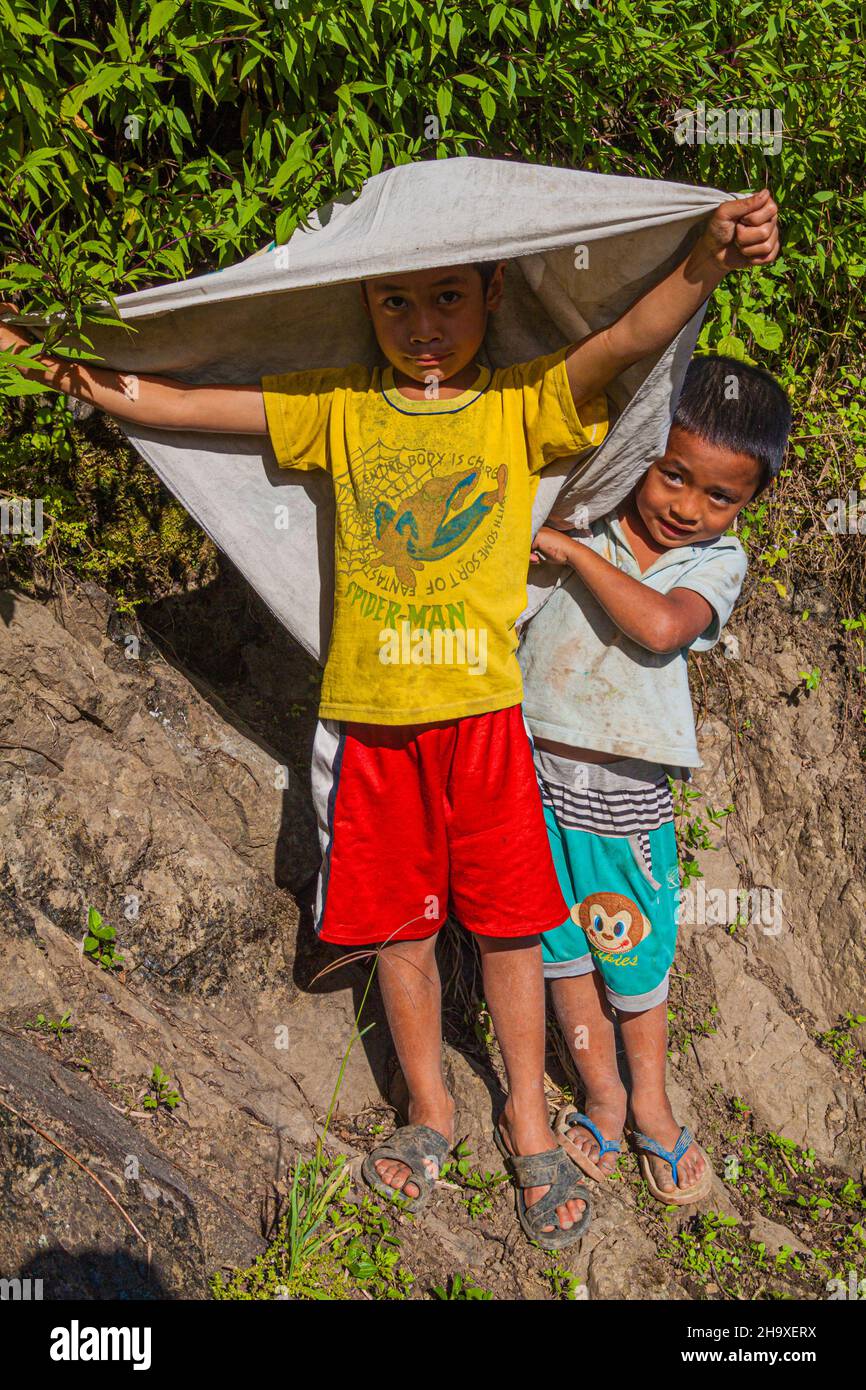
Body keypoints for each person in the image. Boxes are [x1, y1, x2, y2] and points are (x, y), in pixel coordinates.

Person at [0, 184, 779, 1246]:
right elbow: (176, 402)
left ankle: (529, 1120)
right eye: (396, 301)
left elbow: (626, 338)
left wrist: (707, 259)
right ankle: (429, 1111)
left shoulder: (520, 403)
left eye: (447, 297)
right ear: (362, 302)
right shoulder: (336, 403)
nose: (421, 325)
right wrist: (51, 360)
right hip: (369, 726)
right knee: (401, 932)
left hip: (485, 722)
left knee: (511, 930)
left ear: (492, 290)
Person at [520, 353, 791, 1205]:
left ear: (746, 505)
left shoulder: (711, 564)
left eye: (721, 496)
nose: (689, 508)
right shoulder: (587, 510)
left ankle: (655, 1108)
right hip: (535, 775)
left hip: (622, 803)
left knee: (631, 960)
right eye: (674, 476)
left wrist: (568, 554)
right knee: (562, 955)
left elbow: (662, 628)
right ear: (641, 449)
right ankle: (601, 1097)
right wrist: (571, 534)